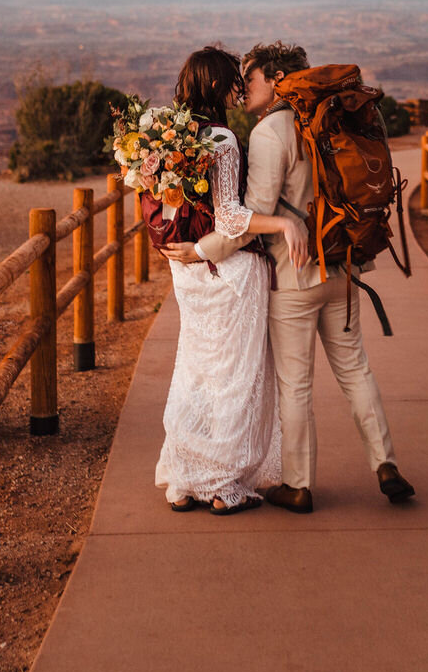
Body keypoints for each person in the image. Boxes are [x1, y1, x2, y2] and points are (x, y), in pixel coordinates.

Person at [167, 41, 414, 514]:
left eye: (252, 78)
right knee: (356, 369)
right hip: (343, 267)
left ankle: (298, 485)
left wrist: (201, 250)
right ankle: (385, 463)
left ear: (277, 80)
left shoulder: (269, 133)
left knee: (296, 386)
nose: (244, 89)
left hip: (295, 275)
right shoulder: (332, 121)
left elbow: (249, 217)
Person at [153, 46, 309, 515]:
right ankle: (224, 485)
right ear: (216, 86)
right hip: (228, 277)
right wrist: (283, 224)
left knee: (195, 373)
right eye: (232, 80)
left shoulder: (168, 139)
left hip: (186, 271)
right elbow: (231, 215)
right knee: (235, 377)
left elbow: (169, 210)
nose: (239, 88)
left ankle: (183, 480)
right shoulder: (220, 138)